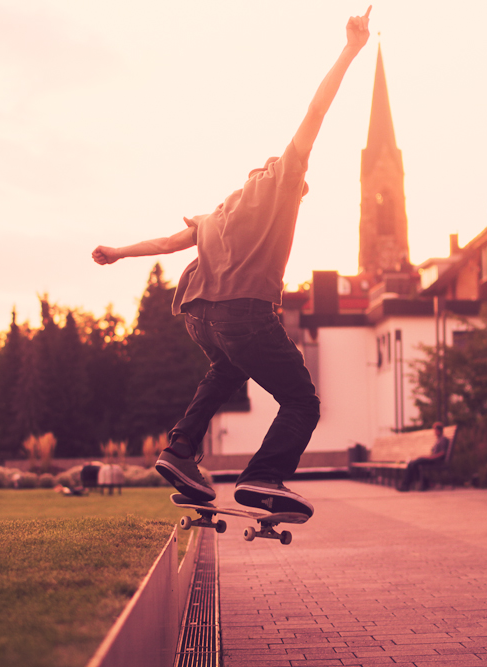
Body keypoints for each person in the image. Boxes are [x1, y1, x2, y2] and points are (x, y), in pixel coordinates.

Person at [92, 7, 373, 517]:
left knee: (226, 369)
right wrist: (350, 50)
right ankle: (263, 477)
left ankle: (180, 450)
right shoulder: (282, 179)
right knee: (302, 401)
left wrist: (116, 251)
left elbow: (168, 244)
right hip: (244, 314)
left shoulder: (222, 207)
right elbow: (315, 113)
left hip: (199, 316)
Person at [400, 422, 450, 491]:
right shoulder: (439, 440)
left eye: (435, 430)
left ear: (438, 431)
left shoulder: (443, 439)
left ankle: (407, 485)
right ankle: (423, 482)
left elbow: (442, 453)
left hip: (435, 461)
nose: (434, 432)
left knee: (414, 463)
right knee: (412, 464)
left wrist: (430, 457)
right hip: (432, 459)